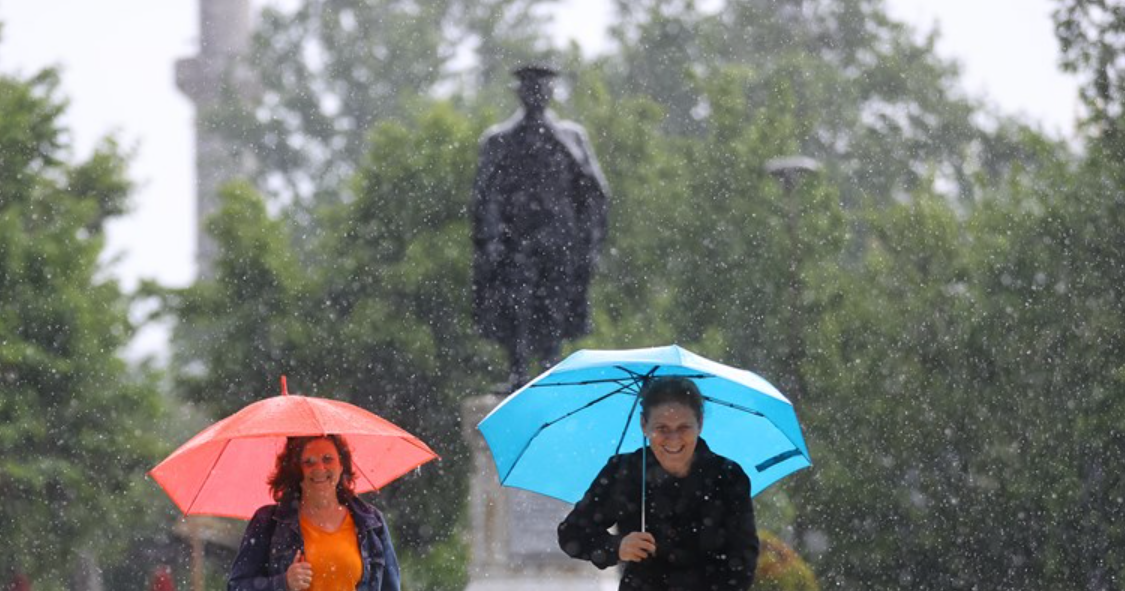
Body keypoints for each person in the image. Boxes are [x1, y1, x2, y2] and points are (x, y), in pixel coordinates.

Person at [471, 64, 610, 384]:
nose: (537, 95)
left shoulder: (571, 137)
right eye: (530, 89)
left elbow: (594, 192)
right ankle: (517, 369)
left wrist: (591, 241)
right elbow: (485, 197)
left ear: (551, 94)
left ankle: (550, 366)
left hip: (560, 239)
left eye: (543, 89)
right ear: (519, 93)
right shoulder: (499, 139)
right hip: (515, 240)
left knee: (554, 305)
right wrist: (492, 240)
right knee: (515, 305)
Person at [558, 377, 759, 590]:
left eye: (683, 427)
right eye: (662, 427)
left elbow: (742, 558)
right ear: (644, 425)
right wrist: (616, 547)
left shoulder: (727, 477)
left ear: (700, 423)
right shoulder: (623, 471)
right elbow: (572, 533)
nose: (673, 438)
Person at [228, 435, 400, 591]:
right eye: (308, 462)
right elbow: (237, 586)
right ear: (296, 471)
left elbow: (390, 587)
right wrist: (283, 583)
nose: (319, 468)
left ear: (341, 466)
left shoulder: (370, 522)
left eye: (328, 459)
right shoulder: (269, 522)